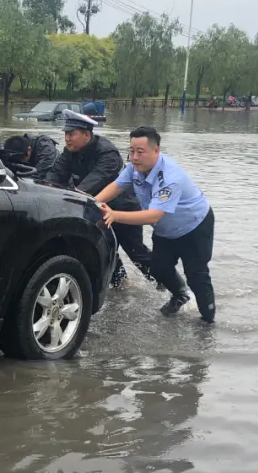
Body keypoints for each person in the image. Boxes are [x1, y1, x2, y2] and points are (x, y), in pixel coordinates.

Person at [94, 126, 216, 324]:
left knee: (197, 275)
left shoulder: (169, 177)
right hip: (166, 230)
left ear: (156, 151)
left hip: (194, 227)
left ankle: (208, 322)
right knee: (159, 268)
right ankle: (180, 295)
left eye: (140, 152)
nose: (134, 157)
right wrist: (92, 203)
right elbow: (116, 186)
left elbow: (153, 216)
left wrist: (114, 215)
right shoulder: (134, 168)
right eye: (131, 150)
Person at [45, 111, 162, 290]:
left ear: (86, 134)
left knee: (136, 252)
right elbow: (53, 177)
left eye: (71, 134)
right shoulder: (69, 152)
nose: (67, 139)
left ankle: (167, 286)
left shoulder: (108, 153)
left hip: (123, 208)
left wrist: (71, 199)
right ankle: (121, 284)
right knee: (104, 250)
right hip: (96, 208)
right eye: (65, 134)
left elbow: (88, 187)